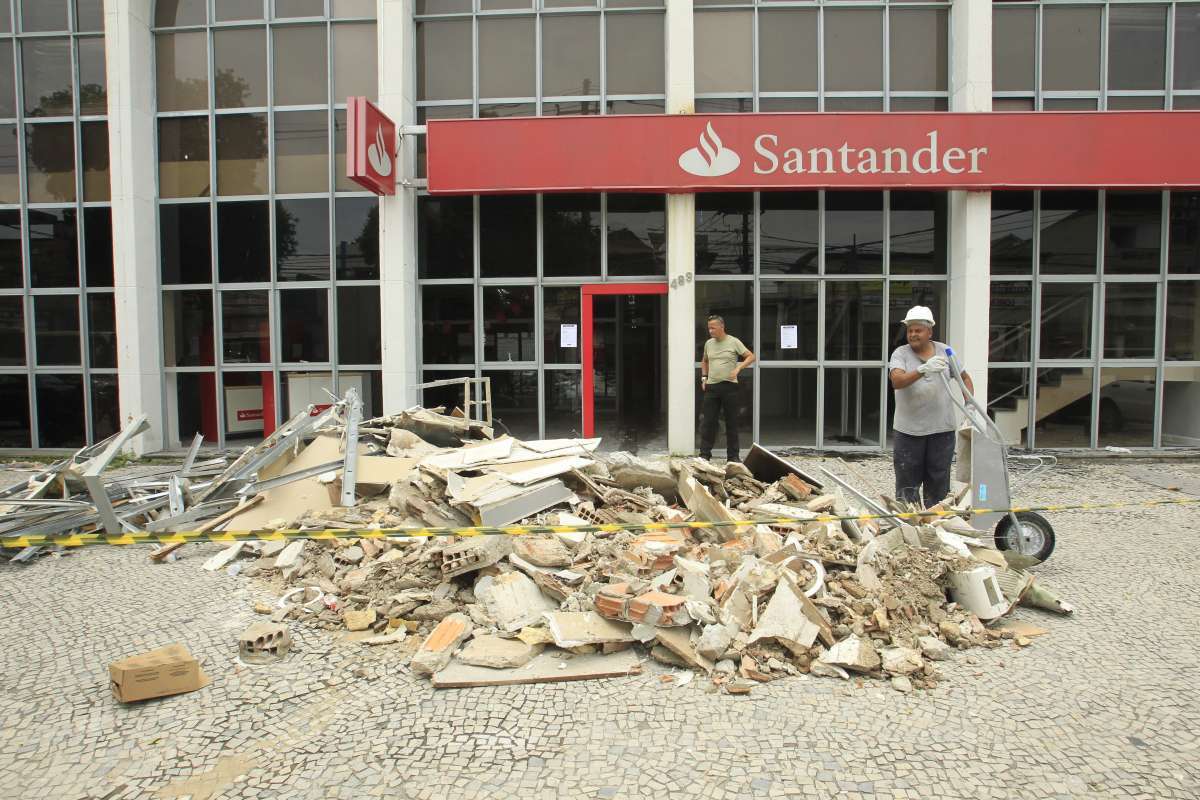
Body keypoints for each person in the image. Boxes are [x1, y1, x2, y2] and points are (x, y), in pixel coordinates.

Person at [888, 305, 974, 508]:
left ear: (929, 332)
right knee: (907, 483)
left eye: (918, 330)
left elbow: (964, 378)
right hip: (908, 432)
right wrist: (923, 369)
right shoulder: (900, 354)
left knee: (939, 481)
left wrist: (969, 404)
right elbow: (897, 381)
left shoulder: (946, 351)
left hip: (941, 431)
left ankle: (936, 526)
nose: (913, 334)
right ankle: (908, 525)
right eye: (910, 330)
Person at [699, 315, 755, 462]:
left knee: (732, 422)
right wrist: (704, 378)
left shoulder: (733, 341)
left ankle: (733, 457)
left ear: (722, 327)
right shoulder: (708, 344)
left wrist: (738, 369)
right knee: (708, 422)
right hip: (712, 387)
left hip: (729, 387)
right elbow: (704, 361)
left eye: (713, 328)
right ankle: (704, 455)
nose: (710, 331)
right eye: (709, 328)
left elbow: (750, 356)